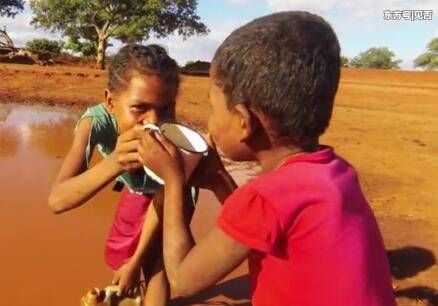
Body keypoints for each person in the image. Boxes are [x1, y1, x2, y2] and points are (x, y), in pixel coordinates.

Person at [138, 11, 397, 306]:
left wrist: (173, 183)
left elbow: (183, 279)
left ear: (244, 121)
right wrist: (220, 180)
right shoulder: (336, 172)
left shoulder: (264, 197)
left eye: (212, 107)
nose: (209, 122)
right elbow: (263, 224)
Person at [49, 44, 189, 306]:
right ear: (111, 101)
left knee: (156, 264)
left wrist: (136, 262)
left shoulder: (173, 135)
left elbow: (164, 199)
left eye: (166, 109)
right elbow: (58, 200)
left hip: (173, 192)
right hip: (136, 186)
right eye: (139, 108)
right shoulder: (97, 122)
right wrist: (115, 162)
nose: (153, 122)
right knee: (121, 256)